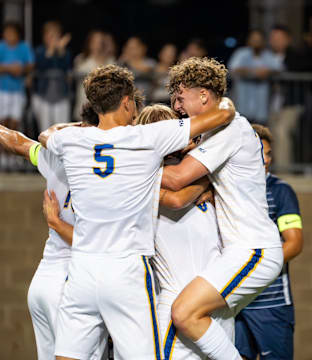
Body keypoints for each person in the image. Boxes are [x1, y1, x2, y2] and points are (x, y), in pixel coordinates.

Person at [38, 64, 235, 360]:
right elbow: (221, 116)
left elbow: (46, 134)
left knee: (67, 356)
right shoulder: (148, 138)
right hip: (126, 270)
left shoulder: (71, 141)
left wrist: (84, 130)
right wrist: (227, 104)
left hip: (82, 269)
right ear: (127, 101)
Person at [160, 57, 283, 360]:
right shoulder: (221, 128)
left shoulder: (229, 129)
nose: (176, 105)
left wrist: (122, 166)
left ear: (203, 96)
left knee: (184, 312)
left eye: (180, 96)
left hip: (254, 250)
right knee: (199, 321)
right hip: (241, 251)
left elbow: (176, 180)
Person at [0, 118, 107, 360]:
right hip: (71, 284)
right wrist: (56, 222)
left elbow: (19, 143)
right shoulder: (109, 172)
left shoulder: (54, 158)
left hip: (43, 281)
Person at [136, 104, 235, 360]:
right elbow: (178, 200)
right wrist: (207, 182)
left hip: (207, 302)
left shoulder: (197, 168)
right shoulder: (141, 177)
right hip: (185, 304)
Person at [235, 124, 303, 360]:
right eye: (258, 152)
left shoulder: (280, 191)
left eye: (269, 153)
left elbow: (294, 243)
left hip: (271, 304)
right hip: (235, 302)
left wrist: (255, 270)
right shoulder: (229, 189)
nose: (265, 159)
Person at [0, 21, 34, 170]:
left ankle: (14, 157)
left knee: (14, 126)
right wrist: (10, 68)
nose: (9, 36)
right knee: (1, 126)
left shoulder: (24, 47)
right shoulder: (0, 46)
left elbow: (30, 64)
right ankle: (3, 158)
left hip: (17, 91)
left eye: (12, 32)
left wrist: (21, 69)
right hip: (0, 91)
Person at [268, 24, 308, 168]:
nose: (274, 41)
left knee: (281, 132)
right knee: (270, 135)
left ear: (287, 39)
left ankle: (285, 171)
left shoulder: (296, 56)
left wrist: (277, 74)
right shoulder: (267, 56)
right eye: (273, 37)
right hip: (272, 104)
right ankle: (271, 170)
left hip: (292, 103)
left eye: (278, 38)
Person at [228, 29, 282, 124]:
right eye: (254, 39)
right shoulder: (241, 53)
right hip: (243, 101)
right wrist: (252, 72)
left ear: (263, 41)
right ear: (248, 40)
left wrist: (268, 71)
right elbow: (233, 68)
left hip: (261, 105)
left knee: (259, 132)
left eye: (259, 39)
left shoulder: (268, 55)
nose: (256, 42)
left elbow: (279, 68)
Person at [33, 21, 72, 131]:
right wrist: (50, 51)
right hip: (43, 96)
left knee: (62, 130)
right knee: (45, 130)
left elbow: (66, 66)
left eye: (55, 35)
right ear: (44, 36)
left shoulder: (65, 52)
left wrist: (60, 51)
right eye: (50, 35)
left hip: (61, 96)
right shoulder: (39, 51)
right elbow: (40, 66)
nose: (53, 38)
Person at [73, 30, 115, 121]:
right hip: (84, 104)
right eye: (95, 41)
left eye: (101, 42)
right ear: (89, 42)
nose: (98, 44)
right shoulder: (81, 59)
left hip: (105, 108)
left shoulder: (110, 61)